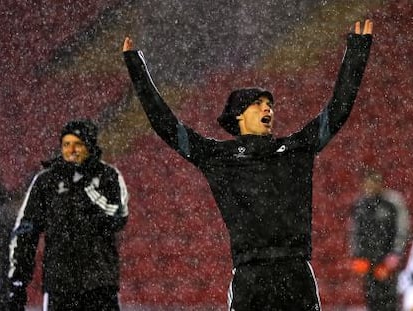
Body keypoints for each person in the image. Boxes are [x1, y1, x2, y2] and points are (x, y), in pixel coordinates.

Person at [123, 19, 373, 310]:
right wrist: (136, 66)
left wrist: (357, 50)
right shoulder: (220, 157)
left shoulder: (296, 148)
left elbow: (338, 110)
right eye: (258, 103)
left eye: (270, 104)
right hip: (250, 275)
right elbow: (166, 125)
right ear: (239, 115)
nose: (268, 108)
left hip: (296, 272)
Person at [1, 119, 129, 311]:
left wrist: (88, 189)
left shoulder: (109, 176)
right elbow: (26, 232)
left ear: (89, 145)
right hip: (59, 286)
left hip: (100, 285)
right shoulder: (46, 181)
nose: (71, 150)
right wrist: (18, 281)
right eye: (66, 144)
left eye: (78, 144)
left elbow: (119, 217)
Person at [349, 170, 409, 311]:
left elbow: (402, 229)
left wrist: (395, 254)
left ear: (381, 184)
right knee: (372, 298)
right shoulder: (360, 205)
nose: (371, 186)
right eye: (368, 183)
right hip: (368, 260)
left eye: (374, 182)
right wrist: (357, 255)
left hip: (387, 260)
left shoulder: (392, 203)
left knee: (389, 298)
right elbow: (355, 232)